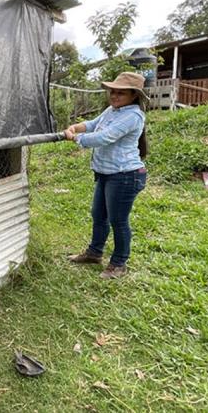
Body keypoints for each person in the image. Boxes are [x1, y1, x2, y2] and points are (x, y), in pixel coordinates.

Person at [63, 72, 148, 279]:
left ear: (134, 95)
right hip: (106, 173)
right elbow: (93, 124)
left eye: (121, 93)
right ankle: (94, 253)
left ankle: (119, 264)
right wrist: (75, 127)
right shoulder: (112, 110)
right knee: (99, 215)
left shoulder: (133, 116)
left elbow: (104, 137)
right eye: (113, 91)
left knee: (118, 221)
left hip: (125, 175)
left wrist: (75, 138)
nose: (114, 96)